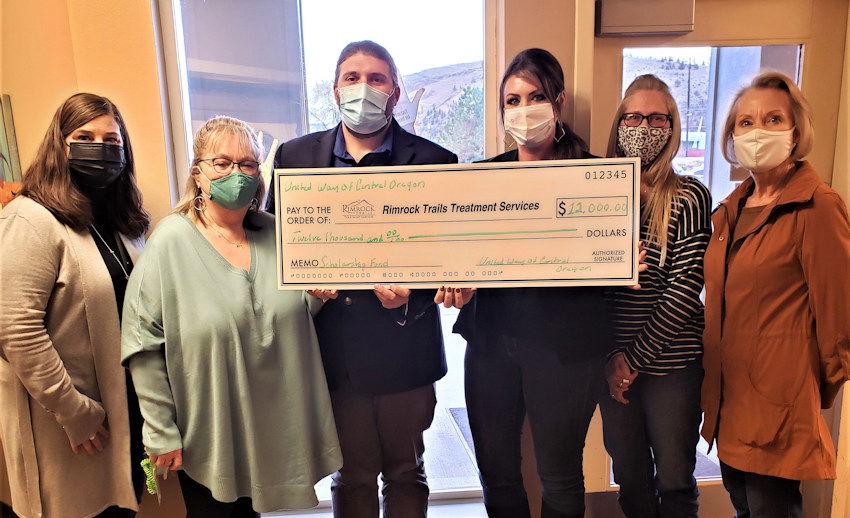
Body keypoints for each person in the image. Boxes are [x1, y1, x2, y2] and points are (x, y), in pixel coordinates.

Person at [266, 40, 456, 518]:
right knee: (349, 477)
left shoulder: (437, 162)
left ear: (395, 91)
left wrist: (412, 299)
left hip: (406, 351)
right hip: (332, 355)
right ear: (334, 90)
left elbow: (449, 262)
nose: (364, 88)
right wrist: (301, 284)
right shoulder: (294, 158)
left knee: (406, 472)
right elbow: (273, 250)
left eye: (376, 79)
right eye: (352, 78)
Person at [121, 116, 342, 517]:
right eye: (221, 163)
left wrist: (315, 298)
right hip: (209, 431)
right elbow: (143, 343)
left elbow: (281, 316)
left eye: (247, 165)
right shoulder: (170, 241)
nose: (235, 174)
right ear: (198, 174)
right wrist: (159, 429)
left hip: (271, 425)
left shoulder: (279, 235)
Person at [439, 48, 619, 518]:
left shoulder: (597, 180)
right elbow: (461, 262)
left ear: (558, 101)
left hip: (566, 350)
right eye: (512, 100)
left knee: (559, 476)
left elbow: (608, 260)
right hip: (492, 344)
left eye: (535, 96)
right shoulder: (481, 179)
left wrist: (619, 259)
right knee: (496, 473)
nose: (524, 110)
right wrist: (455, 288)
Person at [701, 71, 850, 518]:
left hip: (779, 408)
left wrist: (800, 389)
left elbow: (840, 320)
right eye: (745, 123)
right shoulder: (732, 208)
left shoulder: (817, 206)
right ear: (732, 135)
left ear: (795, 131)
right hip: (729, 402)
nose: (757, 131)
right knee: (744, 508)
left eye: (772, 119)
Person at [0, 93, 149, 518]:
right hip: (69, 423)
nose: (101, 149)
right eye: (85, 136)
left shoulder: (125, 224)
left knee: (120, 507)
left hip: (124, 412)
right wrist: (73, 411)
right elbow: (15, 329)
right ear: (60, 146)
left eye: (112, 140)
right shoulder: (29, 220)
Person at [598, 74, 711, 518]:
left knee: (675, 480)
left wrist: (633, 361)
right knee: (630, 477)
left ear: (672, 126)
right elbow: (585, 290)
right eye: (634, 116)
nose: (644, 126)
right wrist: (612, 359)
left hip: (671, 366)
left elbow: (685, 289)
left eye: (656, 117)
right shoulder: (598, 193)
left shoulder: (689, 196)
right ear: (619, 123)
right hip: (608, 363)